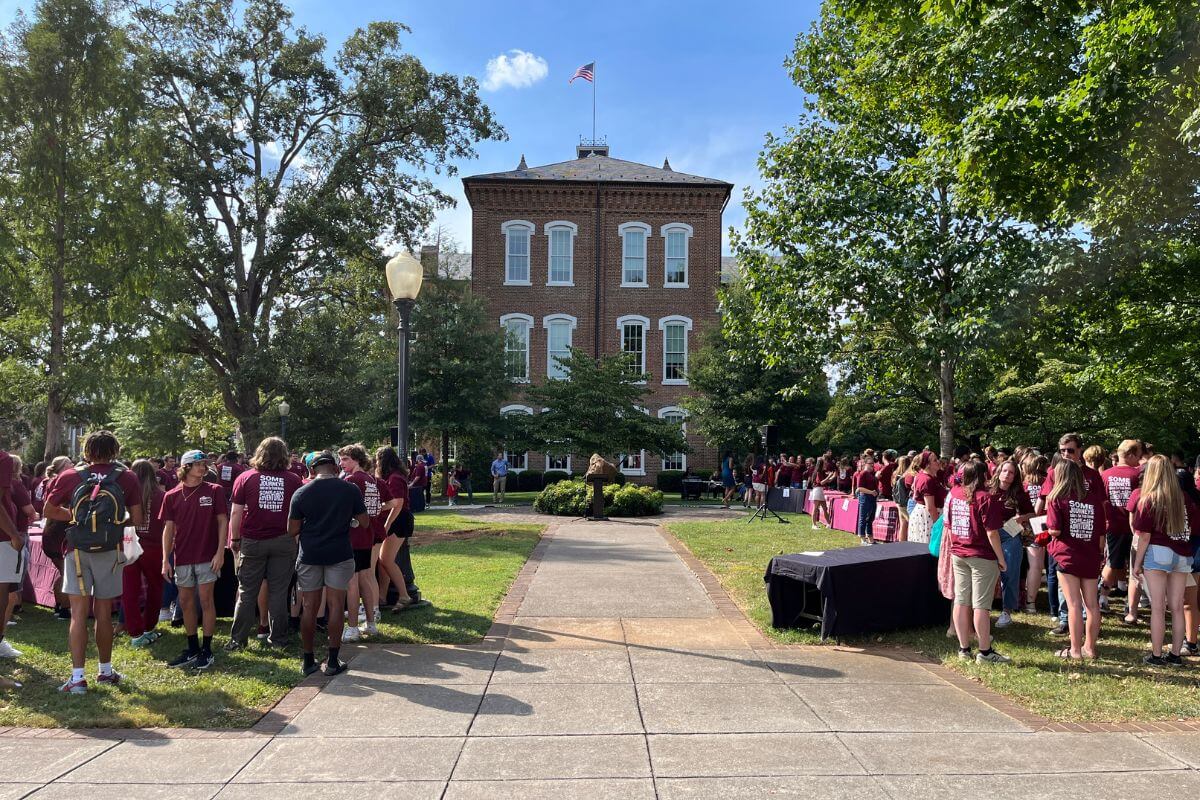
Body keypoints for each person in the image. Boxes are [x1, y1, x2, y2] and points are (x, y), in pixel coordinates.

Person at [43, 431, 145, 694]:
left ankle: (77, 678)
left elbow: (49, 510)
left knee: (78, 614)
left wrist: (79, 517)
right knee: (103, 611)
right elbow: (137, 517)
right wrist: (108, 523)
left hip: (76, 550)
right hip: (110, 549)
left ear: (87, 451)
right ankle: (105, 671)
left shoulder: (70, 476)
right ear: (115, 451)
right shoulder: (127, 477)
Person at [288, 451, 368, 676]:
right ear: (335, 468)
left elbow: (291, 529)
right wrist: (347, 519)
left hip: (310, 554)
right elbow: (364, 522)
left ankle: (308, 660)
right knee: (335, 605)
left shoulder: (301, 492)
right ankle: (333, 660)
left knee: (309, 607)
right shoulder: (349, 490)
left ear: (312, 471)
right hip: (339, 553)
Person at [227, 437, 302, 650]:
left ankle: (238, 639)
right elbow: (298, 514)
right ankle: (278, 638)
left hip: (253, 540)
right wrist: (294, 539)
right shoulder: (294, 479)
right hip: (283, 540)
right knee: (279, 592)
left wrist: (235, 538)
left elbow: (236, 512)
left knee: (247, 591)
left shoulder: (245, 478)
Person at [161, 450, 228, 670]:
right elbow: (168, 529)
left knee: (206, 600)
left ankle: (207, 648)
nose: (203, 468)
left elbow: (222, 522)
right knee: (186, 602)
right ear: (186, 467)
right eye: (199, 464)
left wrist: (220, 551)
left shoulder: (215, 490)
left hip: (207, 556)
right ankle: (192, 646)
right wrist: (165, 559)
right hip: (182, 557)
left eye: (205, 464)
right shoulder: (171, 495)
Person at [1129, 454, 1198, 666]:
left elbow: (1144, 536)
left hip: (1157, 552)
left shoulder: (1148, 499)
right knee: (1177, 606)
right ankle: (1176, 654)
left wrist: (1137, 564)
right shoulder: (1183, 498)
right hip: (1183, 553)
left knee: (1158, 607)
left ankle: (1156, 655)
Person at [948, 461, 1011, 663]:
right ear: (984, 475)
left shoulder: (955, 494)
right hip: (981, 555)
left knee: (961, 600)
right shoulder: (986, 498)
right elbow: (992, 533)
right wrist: (1001, 559)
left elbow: (949, 525)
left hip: (958, 552)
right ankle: (985, 652)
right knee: (981, 605)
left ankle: (963, 649)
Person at [1044, 458, 1106, 660]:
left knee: (1073, 604)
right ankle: (1090, 648)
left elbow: (1054, 529)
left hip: (1067, 554)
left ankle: (1075, 650)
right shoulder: (1094, 499)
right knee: (1092, 605)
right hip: (1089, 554)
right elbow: (1100, 531)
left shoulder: (1057, 498)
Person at [338, 444, 385, 641]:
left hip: (354, 536)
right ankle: (371, 624)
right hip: (368, 535)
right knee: (365, 578)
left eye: (345, 459)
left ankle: (353, 627)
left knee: (352, 583)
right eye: (340, 459)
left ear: (356, 459)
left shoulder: (352, 480)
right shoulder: (371, 480)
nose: (341, 463)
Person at [124, 460, 167, 647]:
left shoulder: (126, 493)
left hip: (129, 542)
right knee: (155, 587)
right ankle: (149, 627)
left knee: (129, 589)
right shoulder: (161, 496)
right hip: (153, 546)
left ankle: (135, 632)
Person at [375, 446, 422, 611]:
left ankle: (404, 595)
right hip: (397, 519)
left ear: (383, 460)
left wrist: (387, 525)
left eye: (377, 460)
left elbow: (398, 504)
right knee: (382, 561)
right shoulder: (394, 476)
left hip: (399, 520)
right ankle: (381, 596)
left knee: (385, 560)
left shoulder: (395, 478)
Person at [988, 460, 1034, 627]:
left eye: (1011, 472)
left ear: (1015, 476)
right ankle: (983, 609)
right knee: (986, 572)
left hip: (1010, 533)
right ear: (998, 471)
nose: (1007, 474)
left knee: (1010, 572)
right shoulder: (988, 490)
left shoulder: (1019, 494)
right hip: (988, 534)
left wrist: (1020, 518)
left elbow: (1032, 513)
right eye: (1005, 470)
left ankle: (1006, 611)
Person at [1102, 440, 1142, 622]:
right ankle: (1101, 597)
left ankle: (1109, 596)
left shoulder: (1106, 474)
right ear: (1131, 455)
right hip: (1133, 527)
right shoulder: (1137, 475)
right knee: (1128, 566)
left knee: (1114, 562)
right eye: (1139, 455)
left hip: (1112, 525)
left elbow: (1101, 501)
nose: (1140, 459)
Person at [1022, 453, 1050, 614]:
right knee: (1037, 566)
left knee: (1031, 565)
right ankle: (1030, 602)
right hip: (1042, 526)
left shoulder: (1023, 484)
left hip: (1026, 527)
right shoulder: (1048, 483)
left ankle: (1029, 600)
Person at [908, 450, 945, 544]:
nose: (938, 462)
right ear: (928, 464)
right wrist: (938, 525)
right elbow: (930, 507)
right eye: (935, 460)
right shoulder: (927, 480)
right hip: (927, 517)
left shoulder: (928, 477)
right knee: (928, 546)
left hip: (927, 515)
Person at [853, 453, 878, 546]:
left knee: (870, 519)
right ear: (865, 464)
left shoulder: (872, 474)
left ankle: (870, 538)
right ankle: (863, 539)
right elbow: (859, 488)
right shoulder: (863, 473)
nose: (872, 465)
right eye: (870, 463)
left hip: (872, 498)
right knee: (863, 518)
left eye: (873, 463)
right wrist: (871, 492)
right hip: (865, 497)